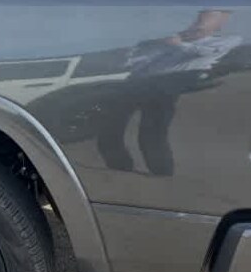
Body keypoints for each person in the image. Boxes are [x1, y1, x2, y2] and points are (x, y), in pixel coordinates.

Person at [96, 9, 240, 176]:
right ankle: (119, 168)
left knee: (152, 131)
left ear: (220, 24)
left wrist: (177, 43)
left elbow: (202, 52)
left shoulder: (227, 40)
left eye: (205, 21)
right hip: (136, 82)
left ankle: (161, 172)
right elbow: (139, 58)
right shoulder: (168, 39)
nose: (196, 24)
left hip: (167, 87)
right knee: (111, 126)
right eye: (197, 19)